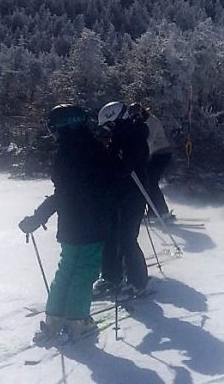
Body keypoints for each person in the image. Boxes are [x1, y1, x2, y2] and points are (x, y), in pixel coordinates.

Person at [19, 104, 117, 345]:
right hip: (93, 223)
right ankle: (77, 320)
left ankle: (54, 318)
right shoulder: (95, 149)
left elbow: (60, 193)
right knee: (84, 272)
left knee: (67, 270)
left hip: (71, 224)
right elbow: (112, 181)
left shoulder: (63, 155)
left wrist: (38, 217)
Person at [94, 102, 151, 300]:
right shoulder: (121, 136)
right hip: (117, 193)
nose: (106, 132)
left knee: (126, 238)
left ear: (117, 120)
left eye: (108, 126)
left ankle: (138, 282)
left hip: (133, 194)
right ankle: (111, 276)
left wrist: (110, 156)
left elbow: (124, 167)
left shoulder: (134, 135)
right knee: (110, 235)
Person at [142, 105, 174, 220]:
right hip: (154, 154)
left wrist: (140, 154)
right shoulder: (144, 121)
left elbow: (149, 141)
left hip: (161, 153)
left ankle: (162, 210)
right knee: (148, 181)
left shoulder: (152, 121)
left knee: (151, 181)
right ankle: (153, 210)